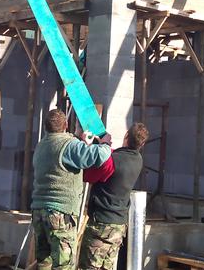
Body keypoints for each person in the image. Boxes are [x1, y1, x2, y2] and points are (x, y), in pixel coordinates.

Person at [31, 109, 112, 270]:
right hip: (60, 213)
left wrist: (81, 142)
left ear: (46, 127)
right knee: (64, 265)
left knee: (44, 262)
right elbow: (97, 156)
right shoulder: (69, 145)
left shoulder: (41, 145)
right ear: (66, 125)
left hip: (39, 211)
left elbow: (64, 154)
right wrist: (105, 143)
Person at [78, 122, 149, 270]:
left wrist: (89, 146)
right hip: (119, 225)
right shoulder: (138, 160)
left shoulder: (112, 160)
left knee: (89, 266)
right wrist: (102, 147)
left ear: (126, 136)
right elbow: (116, 157)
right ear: (142, 144)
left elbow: (88, 175)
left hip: (102, 224)